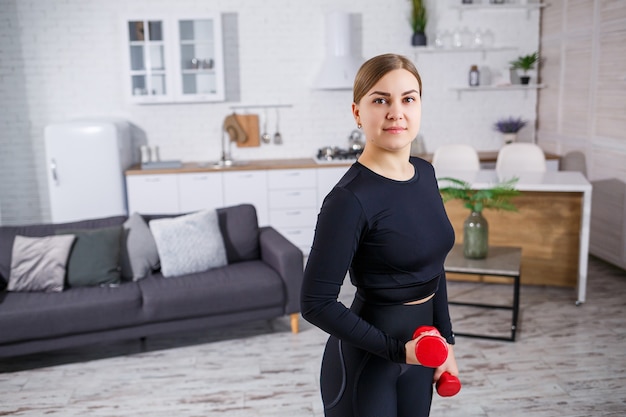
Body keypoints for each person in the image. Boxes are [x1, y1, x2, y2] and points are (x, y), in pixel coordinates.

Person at [300, 53, 459, 417]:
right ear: (357, 113)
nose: (396, 112)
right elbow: (315, 303)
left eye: (408, 98)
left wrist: (446, 343)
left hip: (422, 353)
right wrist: (397, 350)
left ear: (419, 106)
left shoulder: (426, 174)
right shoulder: (349, 199)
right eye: (380, 100)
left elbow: (433, 267)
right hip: (366, 366)